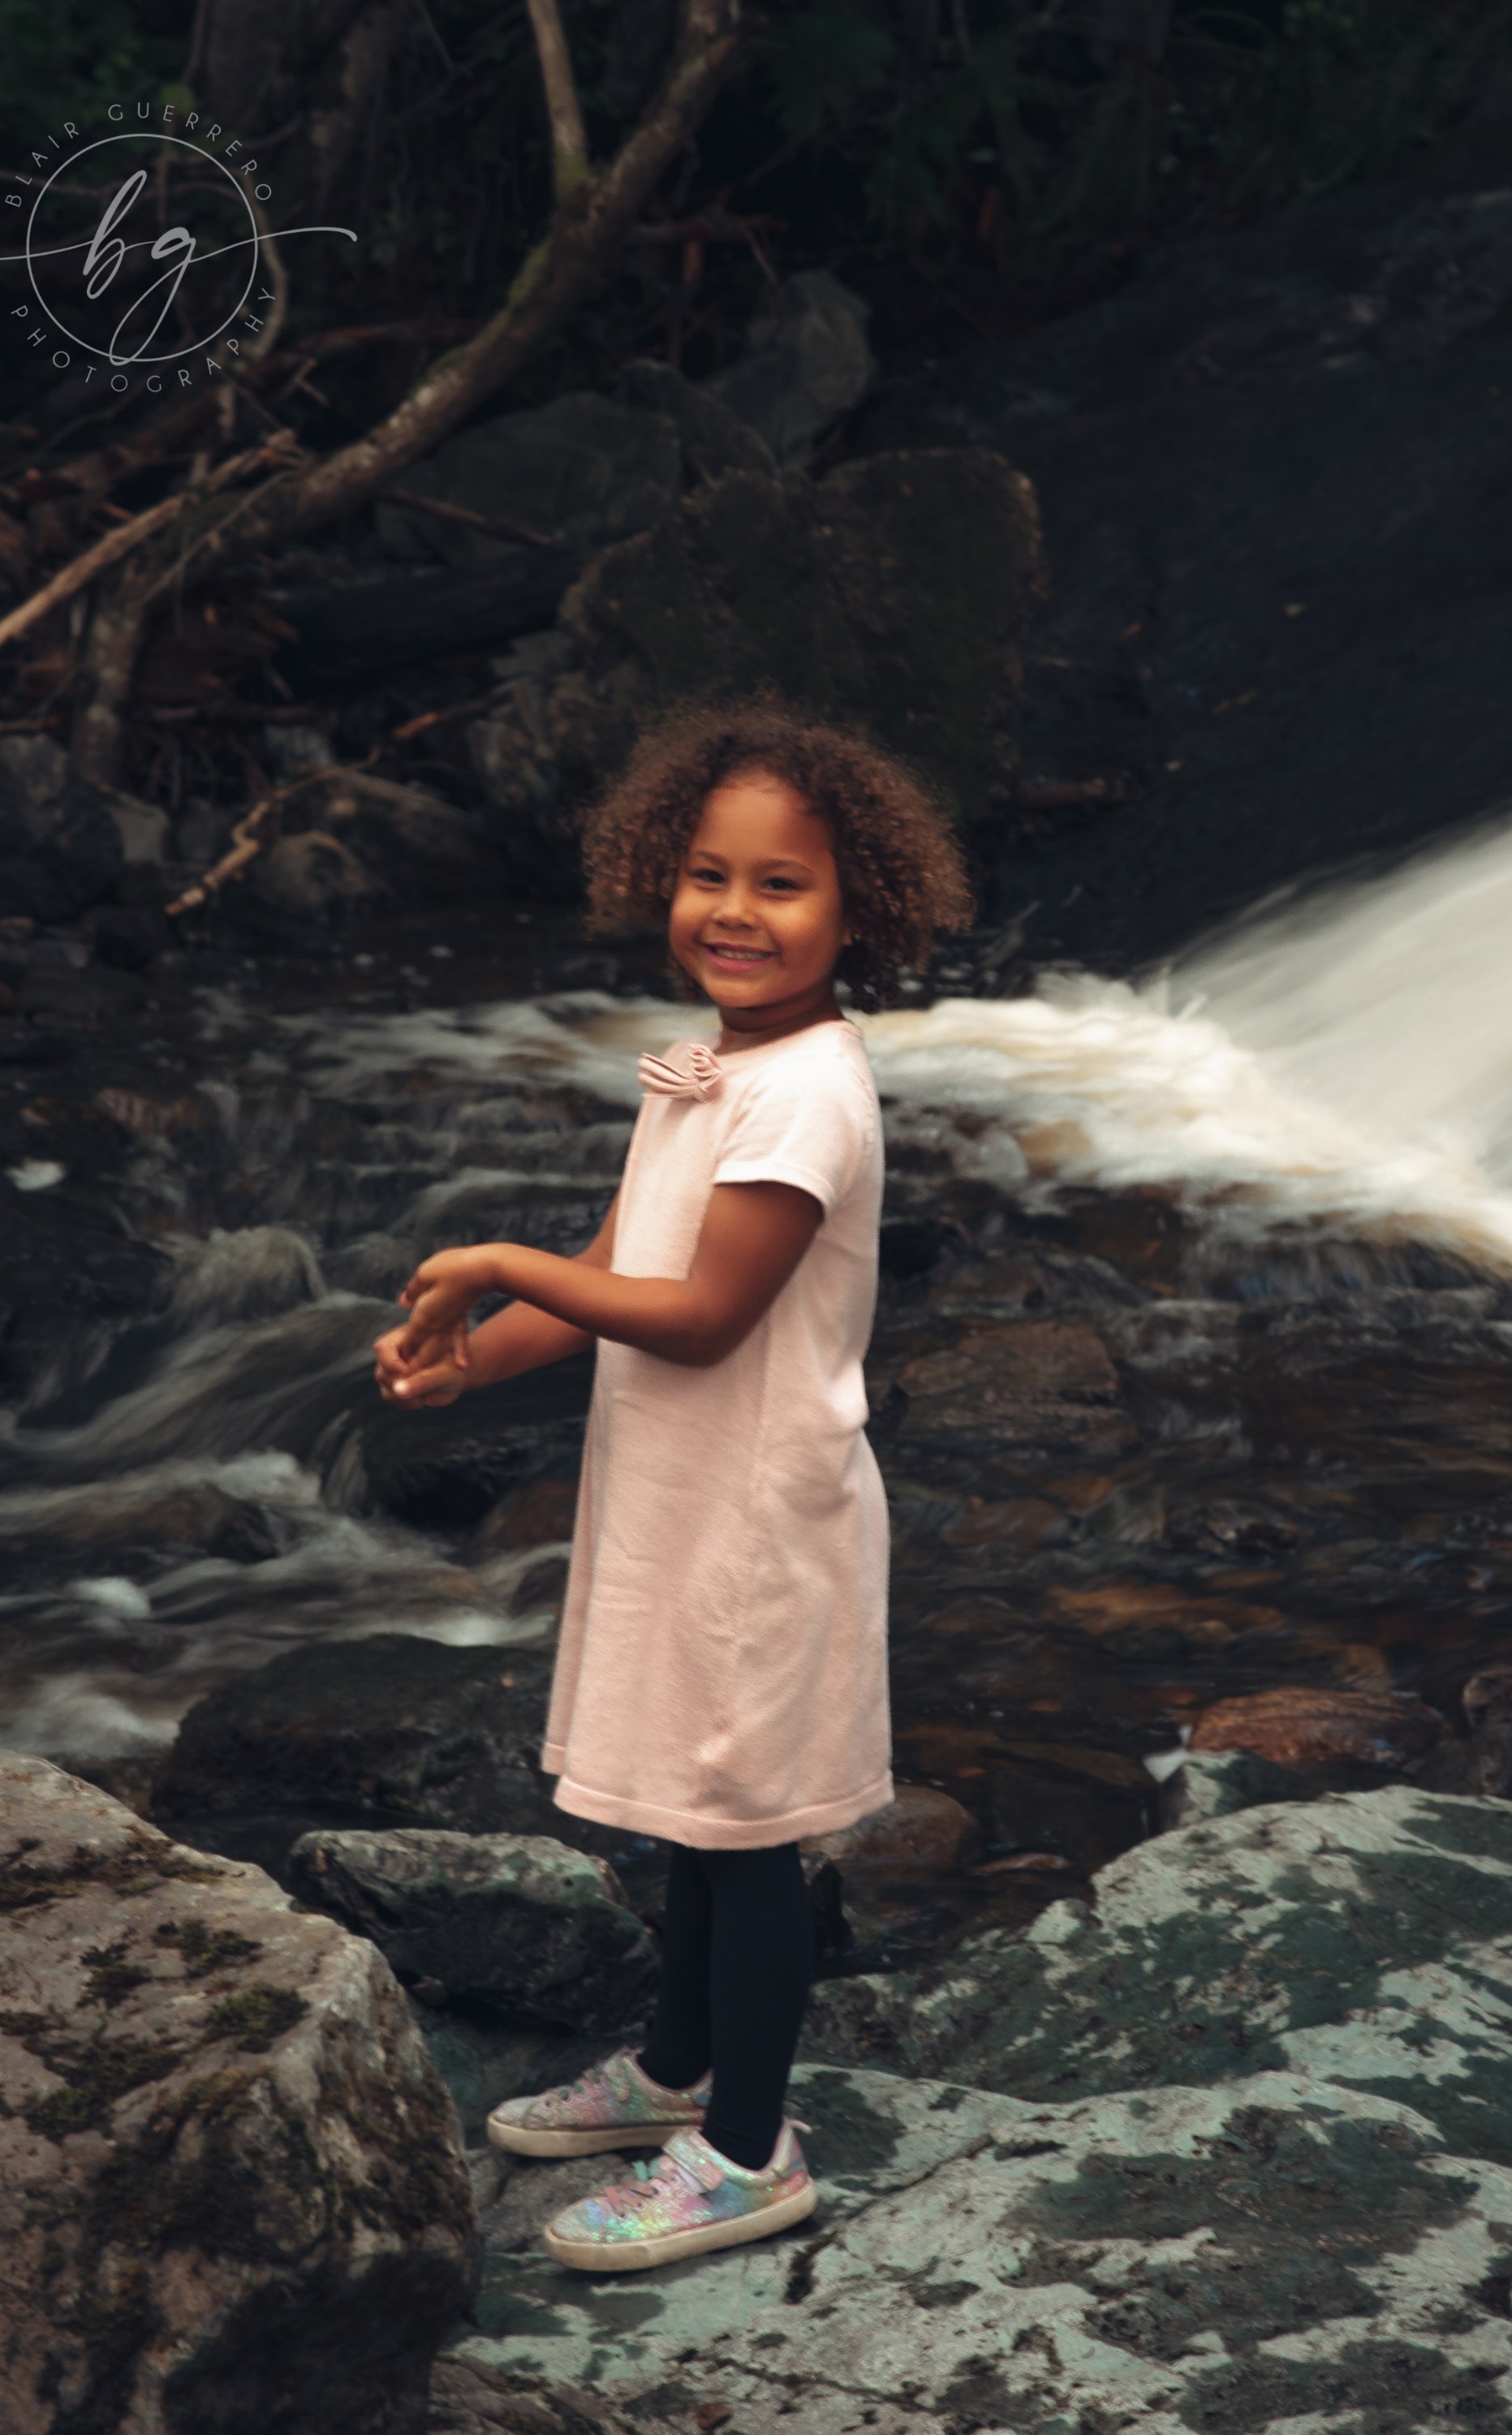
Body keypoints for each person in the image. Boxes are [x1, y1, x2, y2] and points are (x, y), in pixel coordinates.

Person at [372, 693, 975, 2273]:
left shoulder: (808, 1095)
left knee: (746, 1827)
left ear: (859, 909)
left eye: (783, 884)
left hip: (761, 1523)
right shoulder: (715, 1067)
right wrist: (473, 1360)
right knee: (698, 1815)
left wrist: (496, 1258)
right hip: (680, 1507)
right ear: (662, 876)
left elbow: (705, 1316)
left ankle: (751, 2152)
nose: (736, 910)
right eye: (711, 874)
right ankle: (679, 2067)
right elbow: (620, 1266)